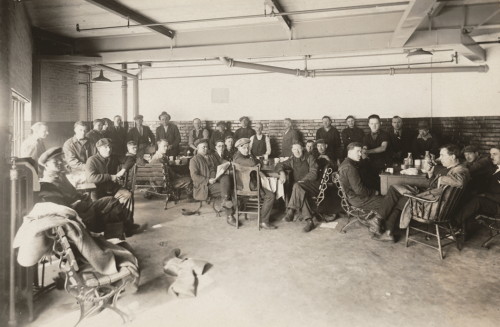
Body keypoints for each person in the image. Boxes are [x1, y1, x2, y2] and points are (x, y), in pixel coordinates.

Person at [370, 144, 470, 243]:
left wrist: (439, 178)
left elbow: (459, 182)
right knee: (395, 189)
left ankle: (383, 228)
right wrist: (431, 173)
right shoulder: (452, 168)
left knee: (397, 201)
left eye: (442, 155)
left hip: (434, 206)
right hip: (434, 200)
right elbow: (436, 187)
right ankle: (380, 223)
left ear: (452, 157)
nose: (440, 158)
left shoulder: (462, 170)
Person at [38, 147, 144, 236]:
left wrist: (80, 195)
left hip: (81, 205)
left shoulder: (59, 175)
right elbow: (62, 206)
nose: (60, 163)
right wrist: (78, 201)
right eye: (55, 161)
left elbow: (71, 193)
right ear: (46, 165)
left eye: (60, 159)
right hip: (78, 212)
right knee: (112, 205)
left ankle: (122, 231)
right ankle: (122, 232)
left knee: (112, 202)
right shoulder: (50, 182)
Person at [338, 142, 383, 233]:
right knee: (388, 202)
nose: (360, 154)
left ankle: (377, 221)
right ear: (350, 152)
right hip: (357, 199)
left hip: (352, 197)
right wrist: (375, 192)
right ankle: (377, 226)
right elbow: (360, 190)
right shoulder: (350, 168)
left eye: (360, 151)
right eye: (358, 151)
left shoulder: (347, 163)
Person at [189, 139, 236, 226]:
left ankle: (226, 201)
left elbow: (221, 161)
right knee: (227, 190)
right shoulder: (194, 160)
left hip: (215, 180)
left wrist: (227, 163)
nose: (206, 149)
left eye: (207, 147)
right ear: (197, 148)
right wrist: (208, 180)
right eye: (203, 147)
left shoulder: (210, 156)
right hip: (205, 186)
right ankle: (230, 215)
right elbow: (194, 176)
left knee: (226, 177)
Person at [233, 138, 276, 229]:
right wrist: (256, 161)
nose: (247, 150)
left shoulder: (244, 156)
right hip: (247, 187)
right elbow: (253, 162)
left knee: (268, 186)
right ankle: (263, 222)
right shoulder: (238, 157)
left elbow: (255, 161)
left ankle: (263, 217)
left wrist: (255, 160)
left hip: (248, 185)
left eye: (248, 148)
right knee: (270, 196)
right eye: (244, 148)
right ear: (239, 148)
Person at [276, 141, 318, 233]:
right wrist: (282, 173)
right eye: (294, 149)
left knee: (297, 186)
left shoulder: (309, 158)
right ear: (292, 150)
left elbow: (314, 174)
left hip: (312, 185)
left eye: (298, 149)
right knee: (299, 189)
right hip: (299, 188)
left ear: (303, 148)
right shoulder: (291, 160)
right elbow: (279, 164)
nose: (297, 151)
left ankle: (291, 210)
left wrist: (301, 182)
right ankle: (310, 221)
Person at [454, 144, 500, 229]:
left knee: (476, 200)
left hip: (497, 205)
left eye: (495, 154)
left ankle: (453, 224)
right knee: (465, 195)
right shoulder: (495, 169)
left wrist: (484, 194)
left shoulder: (486, 163)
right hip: (491, 199)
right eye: (491, 154)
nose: (491, 157)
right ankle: (460, 228)